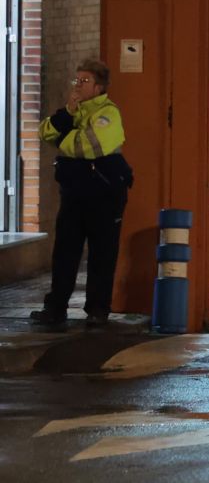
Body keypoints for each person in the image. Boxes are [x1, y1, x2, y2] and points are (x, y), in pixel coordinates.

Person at [28, 59, 134, 330]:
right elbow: (44, 132)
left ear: (99, 87)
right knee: (64, 252)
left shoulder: (108, 114)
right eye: (76, 80)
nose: (78, 85)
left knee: (102, 253)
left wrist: (64, 136)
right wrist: (67, 114)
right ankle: (56, 308)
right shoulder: (73, 112)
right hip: (74, 193)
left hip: (104, 195)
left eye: (84, 81)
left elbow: (85, 146)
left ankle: (98, 310)